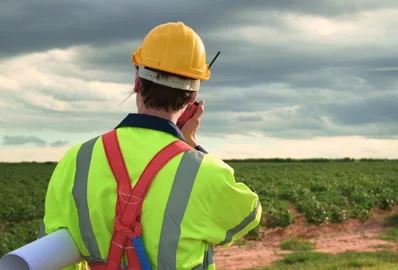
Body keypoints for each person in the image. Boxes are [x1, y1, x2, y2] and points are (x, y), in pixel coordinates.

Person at [37, 21, 262, 270]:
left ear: (137, 82)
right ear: (192, 98)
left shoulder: (77, 159)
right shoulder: (205, 172)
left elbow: (52, 251)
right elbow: (249, 215)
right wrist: (192, 145)